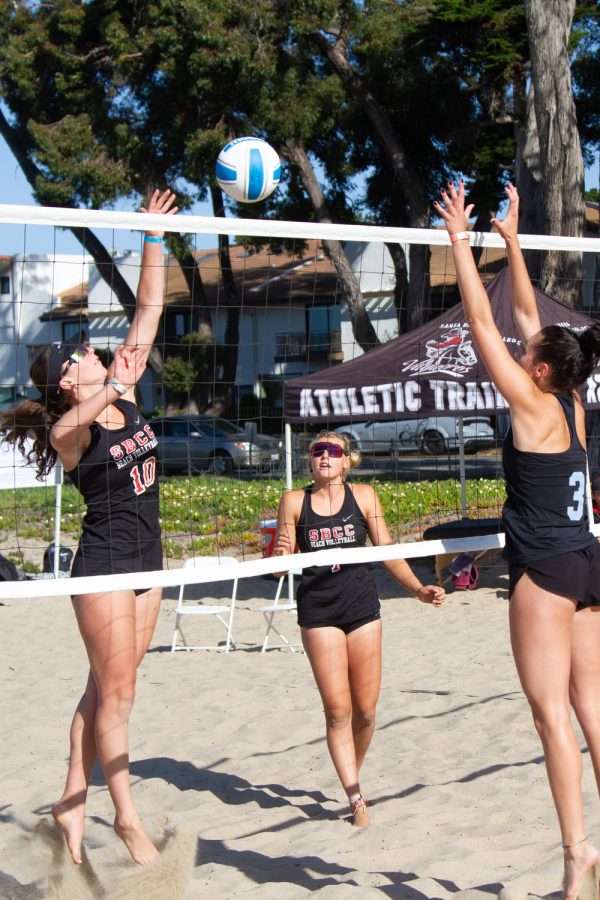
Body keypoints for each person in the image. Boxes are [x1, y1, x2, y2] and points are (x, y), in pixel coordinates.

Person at [0, 188, 177, 865]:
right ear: (67, 382)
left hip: (151, 559)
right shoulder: (69, 428)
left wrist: (153, 235)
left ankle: (70, 807)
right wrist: (112, 385)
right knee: (120, 692)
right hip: (104, 566)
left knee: (104, 690)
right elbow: (73, 425)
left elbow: (150, 309)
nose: (90, 350)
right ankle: (124, 816)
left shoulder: (120, 391)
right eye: (77, 354)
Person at [435, 180, 600, 900]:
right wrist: (510, 242)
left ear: (536, 369)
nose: (523, 341)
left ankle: (576, 856)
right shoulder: (570, 398)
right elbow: (528, 314)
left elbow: (481, 323)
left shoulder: (533, 402)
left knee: (550, 718)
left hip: (547, 569)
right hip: (590, 560)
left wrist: (459, 246)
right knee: (594, 710)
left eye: (527, 351)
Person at [273, 431, 445, 827]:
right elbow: (280, 565)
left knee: (365, 712)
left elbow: (387, 551)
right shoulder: (294, 501)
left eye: (334, 451)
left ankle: (354, 772)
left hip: (361, 606)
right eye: (318, 451)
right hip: (319, 611)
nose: (325, 457)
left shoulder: (364, 496)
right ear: (309, 461)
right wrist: (280, 553)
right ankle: (355, 797)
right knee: (338, 710)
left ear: (349, 460)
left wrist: (419, 589)